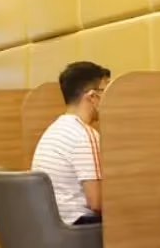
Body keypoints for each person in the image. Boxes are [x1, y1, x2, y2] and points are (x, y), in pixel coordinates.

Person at [32, 61, 111, 225]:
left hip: (52, 227)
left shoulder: (55, 130)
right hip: (79, 227)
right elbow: (97, 203)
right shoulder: (85, 135)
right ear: (92, 96)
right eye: (106, 92)